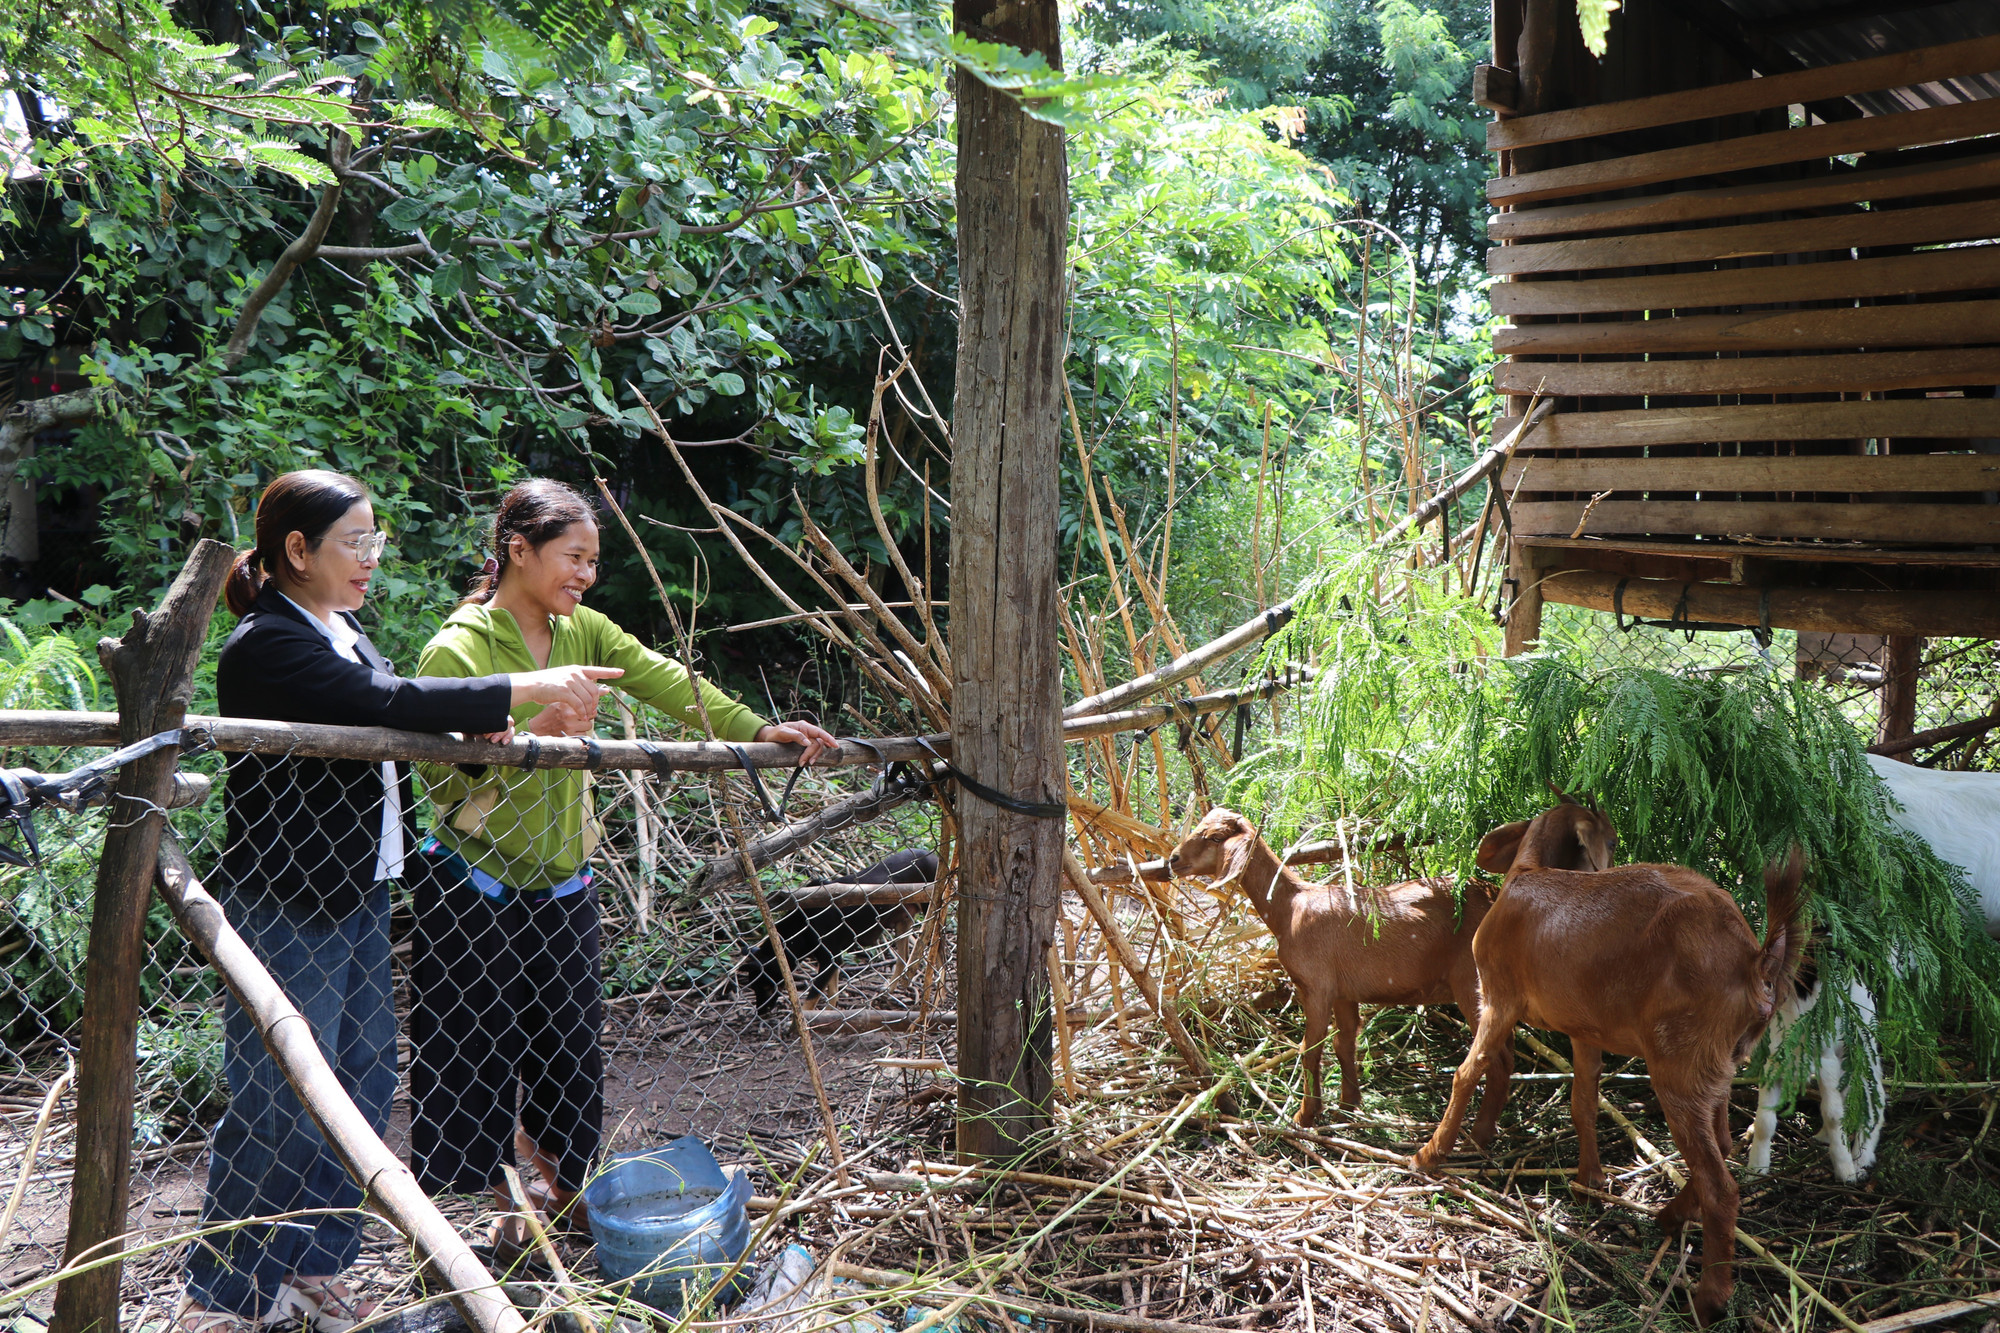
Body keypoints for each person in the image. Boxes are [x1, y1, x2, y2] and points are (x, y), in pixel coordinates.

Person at [180, 470, 623, 1333]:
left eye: (376, 542)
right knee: (280, 1096)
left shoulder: (343, 632)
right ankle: (231, 1292)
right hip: (293, 900)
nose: (372, 560)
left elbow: (404, 725)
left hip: (362, 893)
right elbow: (382, 704)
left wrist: (489, 736)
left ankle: (314, 1267)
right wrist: (524, 690)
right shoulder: (270, 643)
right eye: (358, 542)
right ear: (297, 550)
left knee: (360, 1083)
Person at [406, 478, 836, 1246]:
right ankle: (496, 1211)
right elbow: (439, 783)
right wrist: (540, 725)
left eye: (593, 562)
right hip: (476, 881)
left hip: (563, 883)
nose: (584, 574)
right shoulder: (459, 646)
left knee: (568, 1048)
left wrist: (758, 728)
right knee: (479, 1045)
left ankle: (570, 1195)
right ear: (519, 549)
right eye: (573, 556)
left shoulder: (585, 632)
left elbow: (669, 678)